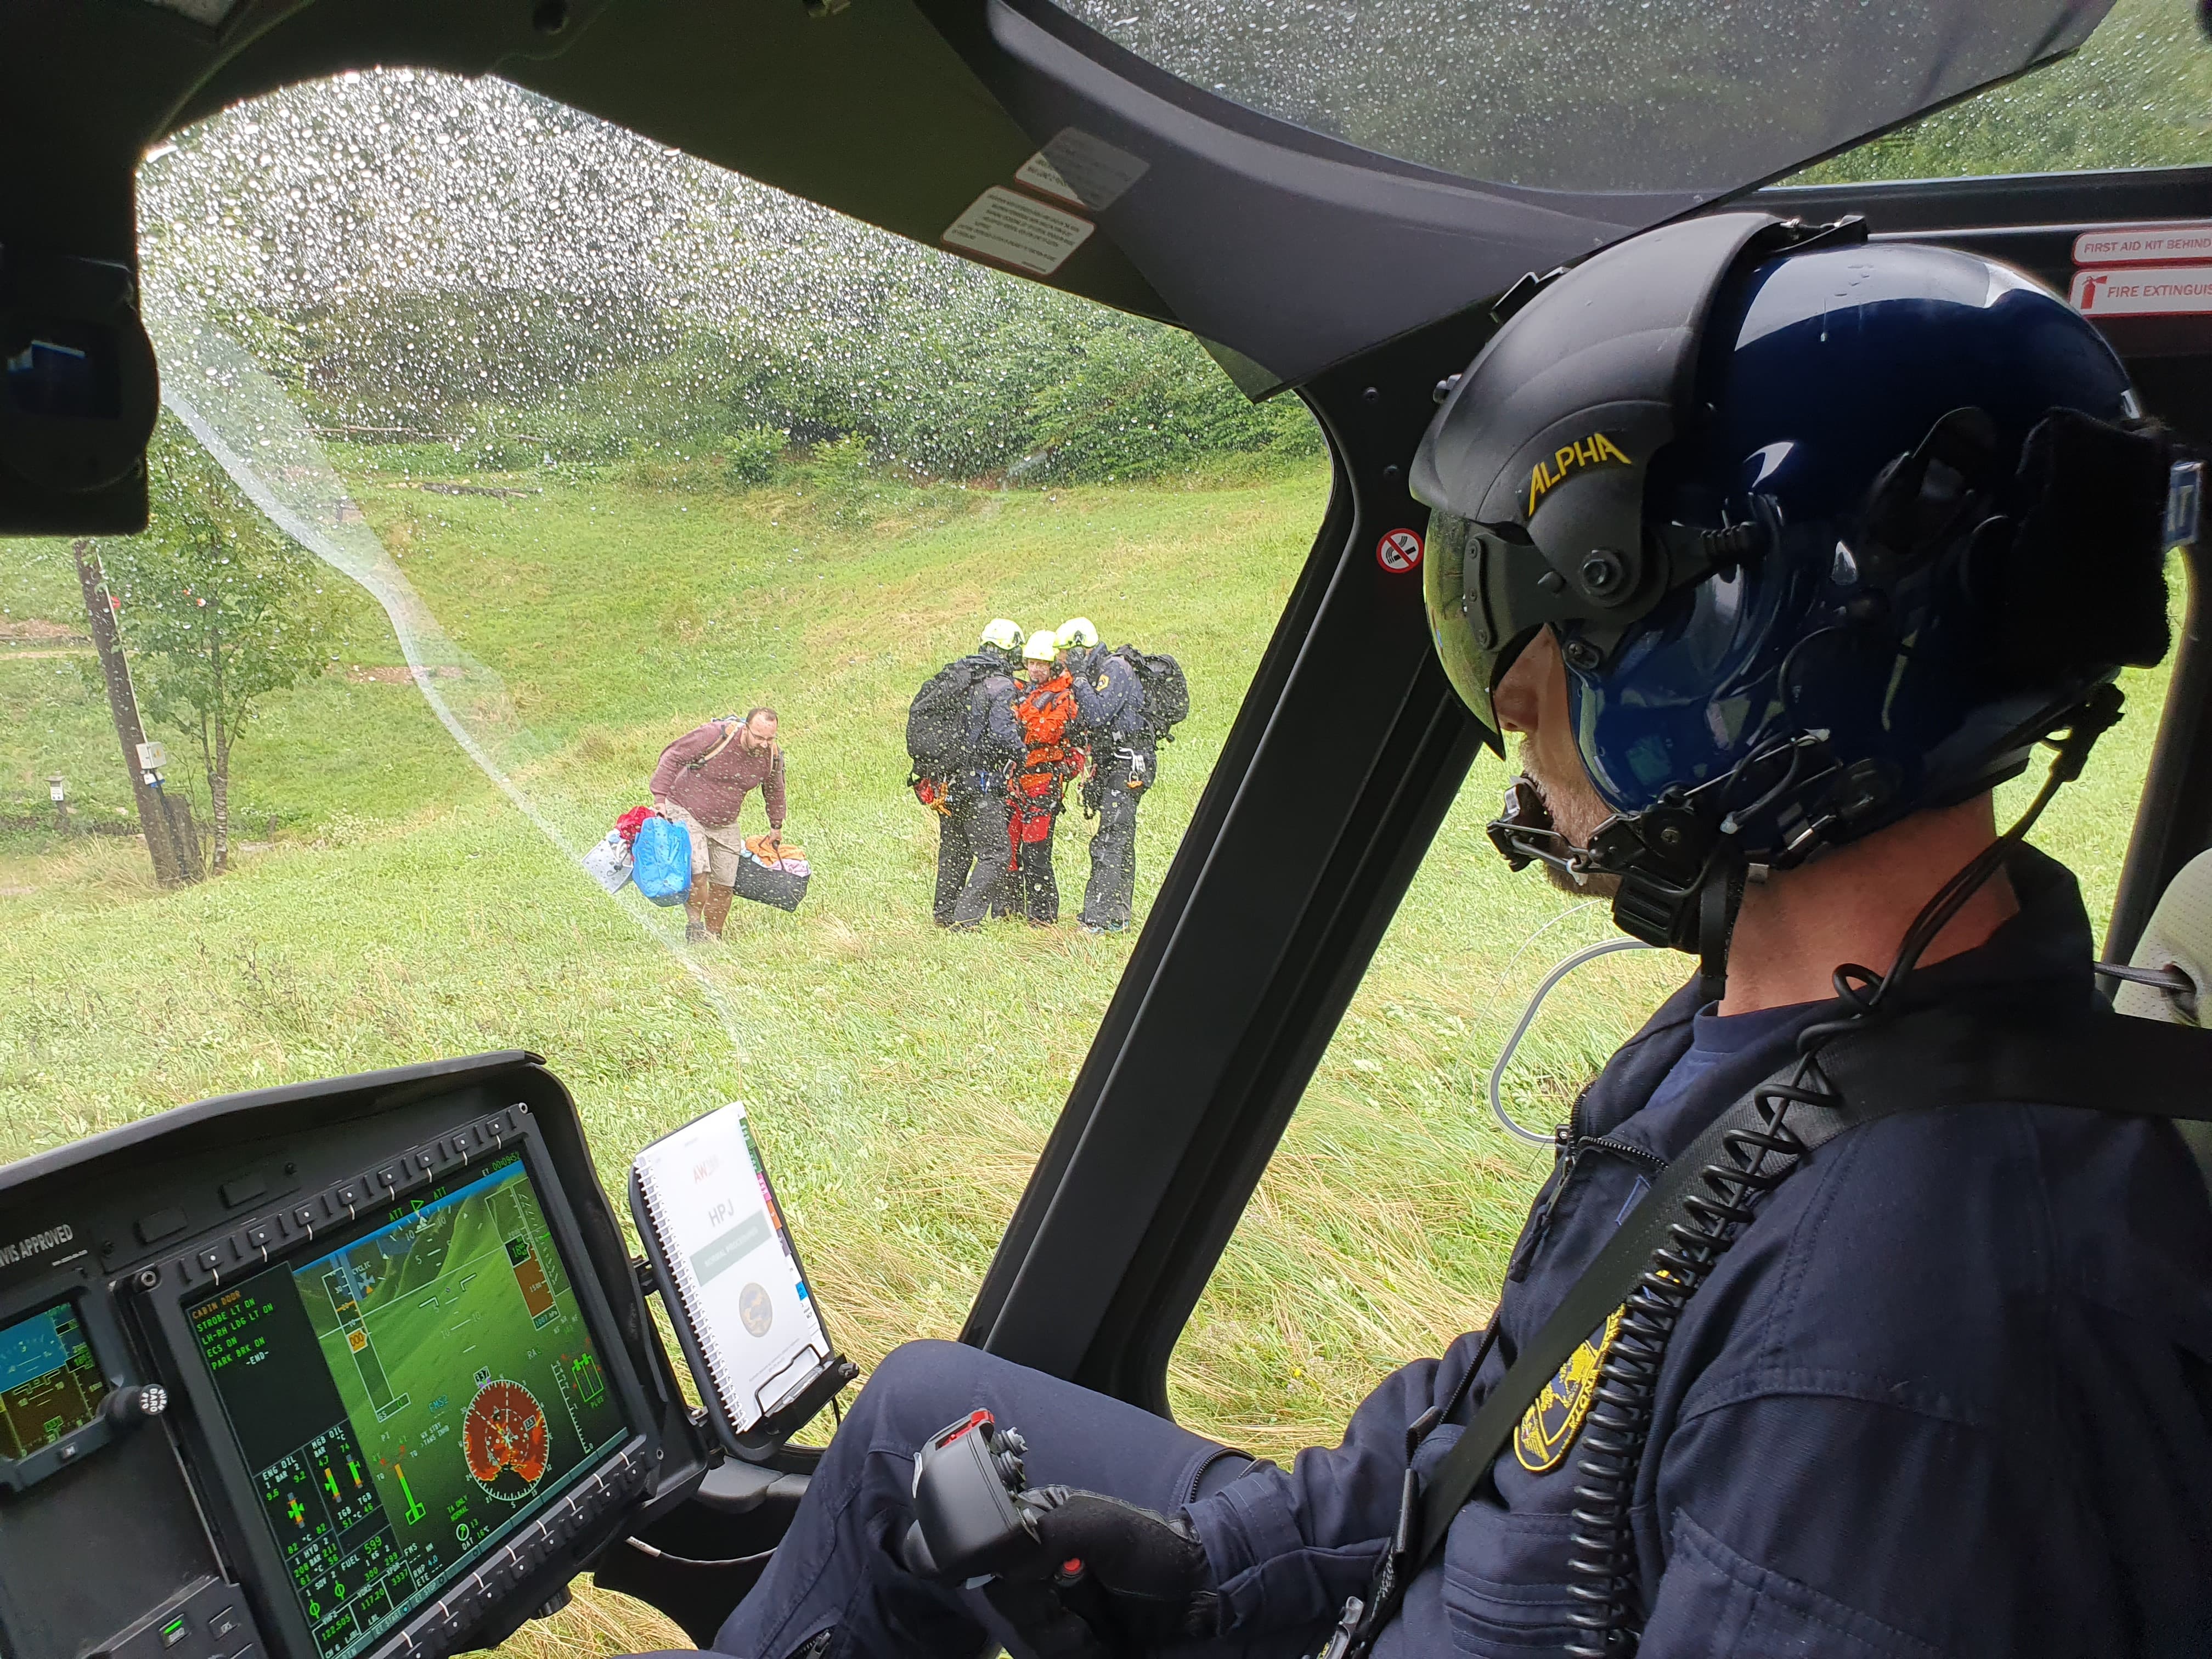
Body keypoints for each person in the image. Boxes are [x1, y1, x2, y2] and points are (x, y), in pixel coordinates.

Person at [668, 222, 2212, 1659]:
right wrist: (1212, 1578)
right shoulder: (1777, 1029)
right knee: (913, 1424)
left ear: (1722, 642)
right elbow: (1497, 1424)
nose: (1514, 706)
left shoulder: (1906, 1344)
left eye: (1533, 612)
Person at [650, 706, 786, 942]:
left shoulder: (772, 755)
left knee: (725, 883)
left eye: (770, 738)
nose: (764, 744)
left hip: (726, 822)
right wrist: (660, 799)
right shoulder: (715, 735)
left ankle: (714, 936)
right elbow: (672, 756)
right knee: (698, 871)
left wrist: (776, 825)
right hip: (685, 809)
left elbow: (775, 789)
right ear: (746, 727)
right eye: (759, 737)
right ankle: (695, 927)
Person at [1057, 616, 1151, 935]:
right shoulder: (1097, 672)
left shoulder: (1114, 669)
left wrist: (1081, 680)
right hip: (1116, 763)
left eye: (1064, 654)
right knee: (1121, 837)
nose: (1060, 661)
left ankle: (1097, 918)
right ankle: (1119, 915)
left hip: (1129, 763)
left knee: (1110, 840)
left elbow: (1098, 714)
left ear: (1079, 651)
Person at [932, 619, 1026, 929]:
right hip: (981, 785)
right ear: (1009, 652)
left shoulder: (962, 679)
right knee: (997, 853)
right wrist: (1022, 753)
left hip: (950, 781)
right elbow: (1002, 733)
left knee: (955, 850)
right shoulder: (1002, 686)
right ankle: (967, 919)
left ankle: (944, 914)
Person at [1007, 629, 1083, 926]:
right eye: (1031, 663)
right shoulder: (1026, 692)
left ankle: (1043, 915)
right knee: (1011, 848)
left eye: (1041, 663)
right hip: (1020, 782)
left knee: (1036, 850)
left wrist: (1016, 725)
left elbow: (1047, 731)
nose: (1035, 669)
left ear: (1053, 664)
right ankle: (1011, 910)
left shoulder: (1064, 695)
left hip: (1044, 784)